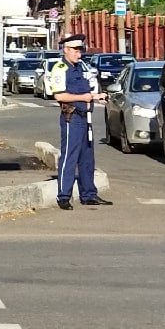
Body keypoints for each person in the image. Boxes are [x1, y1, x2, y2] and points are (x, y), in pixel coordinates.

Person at [46, 34, 112, 209]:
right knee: (69, 156)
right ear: (66, 50)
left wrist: (97, 97)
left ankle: (88, 194)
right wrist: (84, 97)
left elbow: (86, 92)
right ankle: (64, 196)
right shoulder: (60, 68)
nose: (79, 54)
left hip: (85, 117)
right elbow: (59, 95)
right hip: (72, 117)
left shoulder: (78, 68)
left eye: (80, 50)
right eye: (75, 50)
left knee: (87, 158)